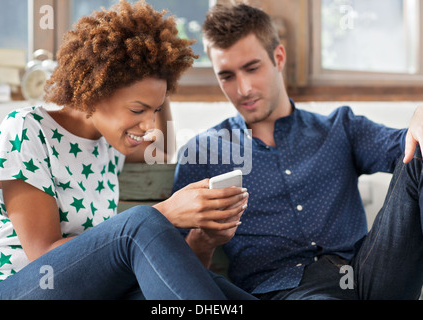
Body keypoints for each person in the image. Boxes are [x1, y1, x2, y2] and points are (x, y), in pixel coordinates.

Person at [0, 0, 253, 300]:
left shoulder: (108, 145)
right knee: (139, 222)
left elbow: (159, 151)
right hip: (11, 289)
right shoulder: (26, 129)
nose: (149, 125)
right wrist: (166, 213)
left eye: (154, 110)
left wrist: (155, 71)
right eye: (137, 109)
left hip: (88, 292)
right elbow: (43, 259)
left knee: (210, 286)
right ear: (96, 91)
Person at [173, 3, 423, 300]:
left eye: (252, 68)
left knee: (419, 154)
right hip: (286, 290)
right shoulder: (203, 152)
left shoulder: (340, 128)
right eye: (227, 76)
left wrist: (420, 115)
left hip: (369, 273)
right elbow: (172, 269)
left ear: (278, 58)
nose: (243, 89)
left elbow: (409, 144)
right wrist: (203, 240)